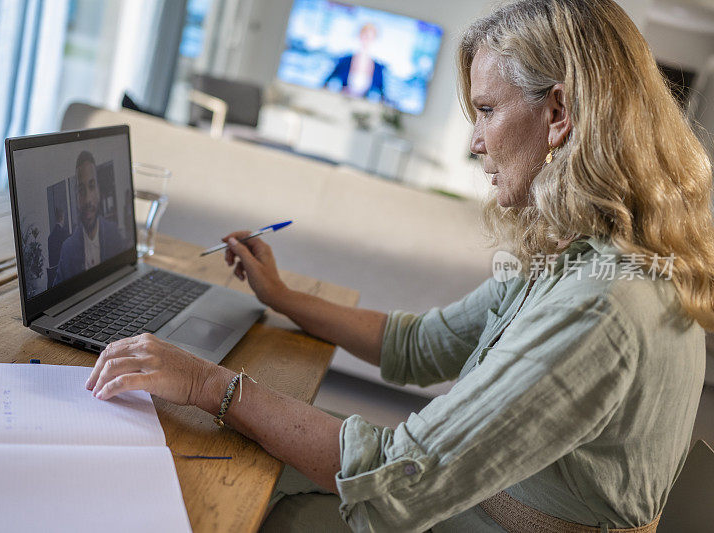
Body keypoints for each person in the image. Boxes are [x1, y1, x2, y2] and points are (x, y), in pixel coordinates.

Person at [86, 1, 714, 530]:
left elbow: (395, 480)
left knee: (226, 484)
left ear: (558, 114)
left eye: (487, 111)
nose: (474, 143)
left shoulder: (600, 305)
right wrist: (280, 296)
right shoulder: (586, 257)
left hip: (473, 513)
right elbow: (423, 344)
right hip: (466, 497)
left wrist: (206, 386)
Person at [53, 152, 124, 285]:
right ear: (76, 198)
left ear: (99, 191)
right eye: (81, 190)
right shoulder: (67, 249)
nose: (87, 199)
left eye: (92, 186)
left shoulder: (113, 234)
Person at [323, 23, 385, 100]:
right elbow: (326, 84)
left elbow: (382, 96)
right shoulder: (345, 60)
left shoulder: (378, 68)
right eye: (365, 36)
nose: (366, 40)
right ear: (360, 36)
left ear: (374, 39)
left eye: (370, 37)